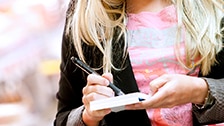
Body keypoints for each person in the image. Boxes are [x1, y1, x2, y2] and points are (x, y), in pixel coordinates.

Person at [54, 0, 224, 126]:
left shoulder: (215, 6)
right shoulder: (85, 17)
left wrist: (200, 91)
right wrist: (89, 116)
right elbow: (63, 118)